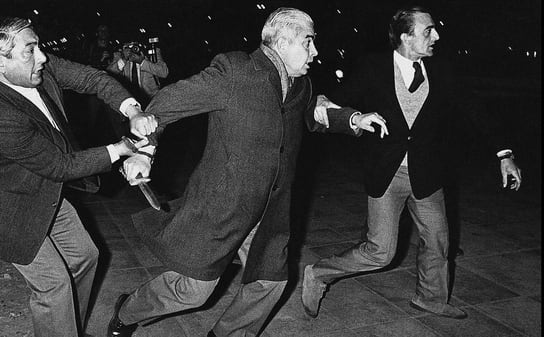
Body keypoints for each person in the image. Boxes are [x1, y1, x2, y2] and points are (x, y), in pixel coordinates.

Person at [107, 7, 386, 337]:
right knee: (194, 291)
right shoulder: (235, 71)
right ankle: (128, 311)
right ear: (282, 43)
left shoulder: (301, 85)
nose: (315, 52)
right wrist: (143, 153)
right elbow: (167, 104)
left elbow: (313, 112)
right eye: (308, 42)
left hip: (270, 211)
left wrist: (352, 119)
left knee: (269, 283)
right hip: (221, 207)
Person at [301, 5, 523, 320]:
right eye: (427, 31)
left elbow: (476, 110)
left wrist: (504, 153)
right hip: (387, 174)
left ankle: (430, 299)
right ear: (406, 37)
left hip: (428, 175)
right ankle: (319, 273)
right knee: (380, 252)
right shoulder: (373, 67)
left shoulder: (443, 70)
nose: (436, 35)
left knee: (437, 241)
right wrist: (347, 115)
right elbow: (334, 102)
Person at [0, 17, 157, 337]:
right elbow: (61, 167)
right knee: (53, 285)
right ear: (0, 62)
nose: (42, 56)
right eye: (30, 50)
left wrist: (132, 110)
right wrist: (121, 148)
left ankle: (67, 329)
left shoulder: (37, 68)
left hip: (45, 193)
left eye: (37, 46)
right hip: (8, 210)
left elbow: (93, 79)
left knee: (86, 257)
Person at [107, 39, 169, 105]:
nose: (132, 49)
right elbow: (108, 73)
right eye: (129, 46)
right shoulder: (119, 55)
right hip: (129, 98)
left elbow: (164, 72)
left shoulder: (152, 52)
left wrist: (142, 62)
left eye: (135, 45)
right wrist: (123, 59)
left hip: (151, 98)